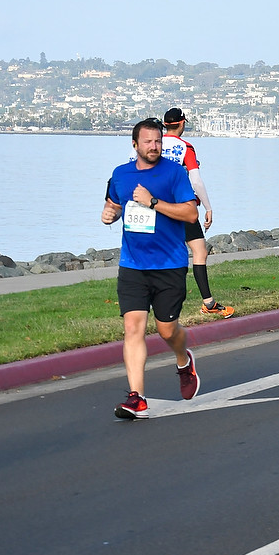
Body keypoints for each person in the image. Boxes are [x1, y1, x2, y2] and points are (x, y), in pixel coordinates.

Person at [101, 118, 202, 420]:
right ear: (135, 145)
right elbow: (114, 205)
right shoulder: (121, 174)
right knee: (132, 328)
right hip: (132, 265)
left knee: (167, 331)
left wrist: (153, 201)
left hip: (169, 264)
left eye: (157, 141)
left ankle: (184, 361)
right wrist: (109, 214)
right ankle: (137, 398)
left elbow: (190, 212)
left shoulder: (174, 173)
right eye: (148, 142)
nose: (154, 146)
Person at [159, 107, 233, 318]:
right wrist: (208, 207)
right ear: (182, 123)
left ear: (165, 125)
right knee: (199, 251)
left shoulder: (153, 144)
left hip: (156, 206)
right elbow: (195, 180)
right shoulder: (185, 148)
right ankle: (208, 302)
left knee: (164, 253)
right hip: (181, 207)